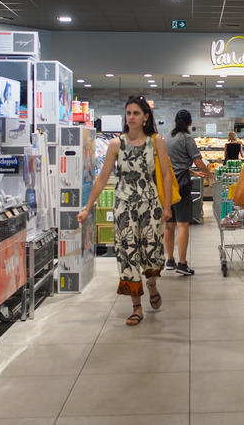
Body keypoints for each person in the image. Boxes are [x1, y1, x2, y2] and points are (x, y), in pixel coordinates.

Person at [77, 96, 173, 326]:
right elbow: (102, 178)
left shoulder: (156, 141)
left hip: (150, 206)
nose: (131, 117)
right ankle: (136, 306)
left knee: (151, 253)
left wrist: (167, 206)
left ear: (146, 117)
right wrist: (87, 207)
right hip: (124, 207)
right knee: (128, 255)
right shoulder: (116, 144)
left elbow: (167, 174)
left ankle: (151, 284)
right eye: (128, 113)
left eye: (136, 113)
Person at [163, 110, 216, 275]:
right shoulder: (187, 138)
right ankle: (182, 263)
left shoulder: (167, 138)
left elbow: (173, 163)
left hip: (166, 185)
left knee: (169, 225)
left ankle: (170, 260)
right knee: (183, 224)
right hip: (182, 186)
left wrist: (193, 173)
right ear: (190, 122)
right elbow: (198, 161)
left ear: (175, 121)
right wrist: (209, 174)